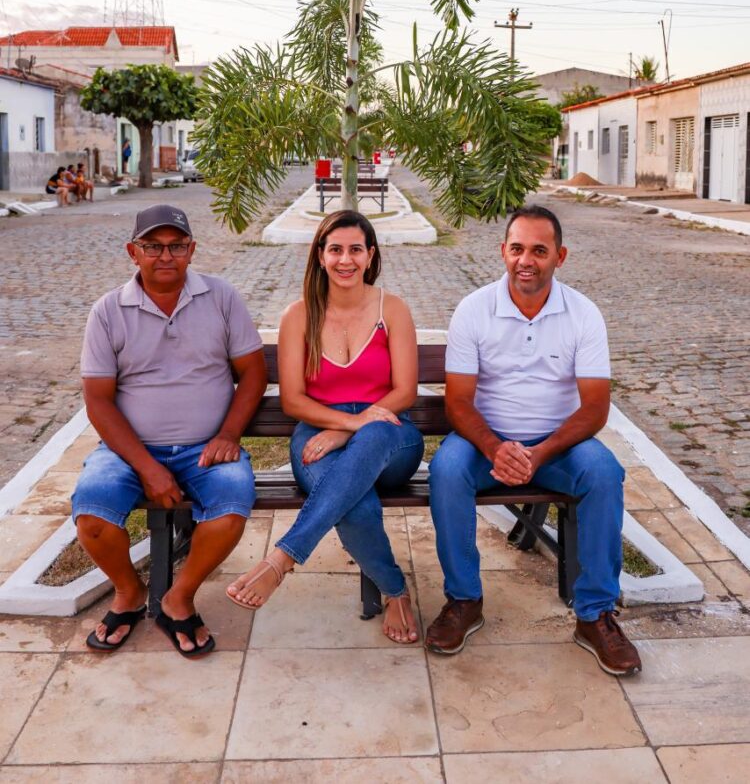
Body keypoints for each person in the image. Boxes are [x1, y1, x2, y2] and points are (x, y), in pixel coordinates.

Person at [425, 204, 642, 676]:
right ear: (503, 251)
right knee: (444, 471)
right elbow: (458, 402)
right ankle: (464, 600)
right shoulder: (474, 309)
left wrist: (539, 452)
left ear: (559, 257)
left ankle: (596, 615)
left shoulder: (583, 315)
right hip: (486, 442)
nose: (527, 259)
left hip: (557, 445)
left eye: (539, 250)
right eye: (518, 248)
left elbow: (594, 408)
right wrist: (495, 448)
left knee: (604, 472)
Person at [71, 204, 267, 657]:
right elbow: (97, 399)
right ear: (132, 252)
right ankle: (129, 592)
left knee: (231, 506)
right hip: (127, 451)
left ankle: (178, 597)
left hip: (206, 448)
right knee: (93, 516)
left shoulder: (221, 297)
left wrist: (228, 435)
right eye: (153, 247)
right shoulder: (108, 311)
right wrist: (146, 467)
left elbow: (253, 373)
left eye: (176, 246)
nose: (166, 256)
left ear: (192, 250)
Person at [226, 209, 425, 644]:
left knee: (372, 436)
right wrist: (346, 424)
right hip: (316, 437)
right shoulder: (298, 316)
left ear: (371, 256)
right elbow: (294, 400)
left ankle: (281, 559)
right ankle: (395, 591)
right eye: (335, 249)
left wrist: (350, 429)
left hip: (392, 435)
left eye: (356, 249)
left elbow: (405, 391)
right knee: (353, 500)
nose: (345, 259)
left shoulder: (392, 308)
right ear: (320, 256)